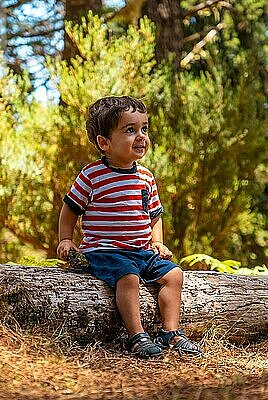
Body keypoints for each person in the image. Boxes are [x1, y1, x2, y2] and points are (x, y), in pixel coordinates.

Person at [57, 96, 201, 359]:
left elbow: (154, 214)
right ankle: (137, 336)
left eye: (144, 129)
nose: (141, 137)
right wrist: (66, 239)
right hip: (105, 251)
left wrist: (157, 242)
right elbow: (70, 208)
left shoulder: (146, 177)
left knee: (174, 275)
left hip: (141, 251)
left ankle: (170, 331)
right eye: (130, 130)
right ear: (104, 143)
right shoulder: (92, 175)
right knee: (128, 278)